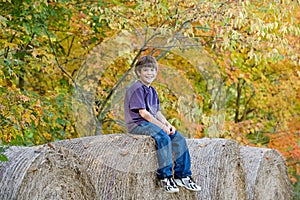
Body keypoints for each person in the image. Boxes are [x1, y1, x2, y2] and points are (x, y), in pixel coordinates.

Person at [124, 55, 201, 193]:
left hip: (151, 123)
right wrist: (161, 127)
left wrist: (168, 124)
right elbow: (144, 114)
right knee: (163, 138)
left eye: (152, 70)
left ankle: (182, 175)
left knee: (178, 137)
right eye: (146, 70)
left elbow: (157, 112)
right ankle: (165, 177)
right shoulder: (136, 88)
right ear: (139, 72)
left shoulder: (152, 90)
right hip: (138, 124)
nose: (150, 73)